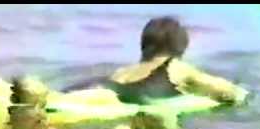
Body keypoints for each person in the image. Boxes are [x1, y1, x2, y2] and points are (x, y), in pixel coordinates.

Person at [65, 16, 248, 105]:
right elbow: (228, 93)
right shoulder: (176, 67)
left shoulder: (124, 70)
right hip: (138, 96)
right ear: (179, 43)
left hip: (109, 87)